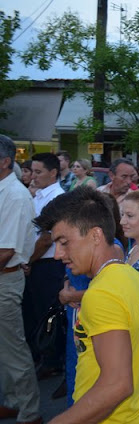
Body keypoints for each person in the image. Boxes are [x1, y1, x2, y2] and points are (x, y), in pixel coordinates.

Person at [34, 186, 139, 424]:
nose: (57, 254)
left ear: (95, 236)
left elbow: (117, 385)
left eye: (64, 242)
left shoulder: (100, 294)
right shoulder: (131, 275)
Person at [0, 135, 42, 424]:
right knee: (5, 348)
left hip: (5, 279)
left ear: (4, 162)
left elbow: (5, 251)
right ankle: (13, 402)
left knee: (13, 348)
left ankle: (29, 412)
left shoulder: (15, 195)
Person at [23, 153, 67, 378]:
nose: (33, 176)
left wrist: (28, 260)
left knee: (48, 313)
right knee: (33, 311)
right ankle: (41, 355)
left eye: (38, 172)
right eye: (32, 171)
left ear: (53, 172)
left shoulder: (57, 197)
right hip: (35, 262)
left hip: (48, 263)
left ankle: (52, 361)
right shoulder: (38, 195)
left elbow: (47, 238)